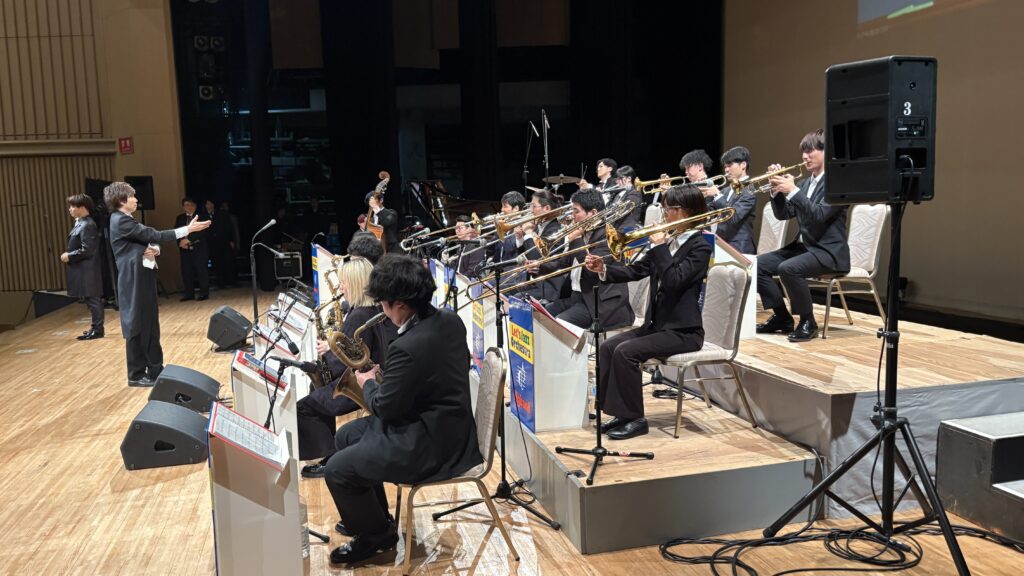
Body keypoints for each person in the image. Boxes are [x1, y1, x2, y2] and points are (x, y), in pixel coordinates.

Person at [324, 254, 481, 564]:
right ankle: (375, 520)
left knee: (337, 469)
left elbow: (384, 408)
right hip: (452, 429)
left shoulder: (408, 346)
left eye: (384, 303)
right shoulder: (450, 320)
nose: (382, 310)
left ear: (400, 304)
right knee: (345, 437)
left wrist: (369, 381)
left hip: (431, 446)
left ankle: (374, 537)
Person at [584, 185, 712, 439]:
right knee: (608, 347)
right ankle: (619, 413)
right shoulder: (669, 241)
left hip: (683, 331)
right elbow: (636, 271)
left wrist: (660, 247)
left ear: (686, 211)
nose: (664, 214)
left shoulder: (700, 246)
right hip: (657, 326)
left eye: (669, 209)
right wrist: (604, 269)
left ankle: (636, 419)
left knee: (626, 352)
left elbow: (674, 281)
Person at [297, 257, 397, 478]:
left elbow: (341, 362)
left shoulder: (359, 315)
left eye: (344, 282)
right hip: (375, 379)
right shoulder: (376, 309)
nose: (341, 287)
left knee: (303, 407)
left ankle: (329, 457)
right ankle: (330, 451)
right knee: (317, 394)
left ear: (355, 284)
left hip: (362, 384)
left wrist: (322, 362)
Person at [105, 182, 211, 386]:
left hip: (143, 276)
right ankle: (136, 374)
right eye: (132, 196)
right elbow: (154, 235)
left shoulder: (126, 220)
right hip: (134, 279)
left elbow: (149, 240)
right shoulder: (120, 220)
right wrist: (187, 229)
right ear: (121, 200)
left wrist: (155, 249)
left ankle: (155, 368)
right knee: (137, 324)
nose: (136, 199)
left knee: (150, 323)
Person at [757, 129, 850, 342]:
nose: (804, 157)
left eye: (810, 151)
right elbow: (784, 215)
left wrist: (793, 191)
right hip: (804, 248)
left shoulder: (839, 184)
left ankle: (808, 321)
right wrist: (776, 190)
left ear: (826, 152)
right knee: (758, 265)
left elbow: (819, 216)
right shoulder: (805, 184)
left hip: (828, 251)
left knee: (788, 268)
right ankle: (782, 317)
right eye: (803, 152)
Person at [537, 189, 634, 330]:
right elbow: (563, 263)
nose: (572, 216)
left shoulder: (610, 236)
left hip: (599, 303)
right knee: (543, 313)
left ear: (593, 213)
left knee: (560, 323)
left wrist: (576, 239)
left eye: (576, 211)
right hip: (577, 297)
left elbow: (591, 269)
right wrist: (538, 267)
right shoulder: (584, 233)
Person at [61, 194, 105, 340]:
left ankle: (98, 330)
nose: (70, 209)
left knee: (93, 299)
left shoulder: (88, 225)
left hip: (88, 269)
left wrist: (69, 255)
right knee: (90, 299)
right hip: (84, 268)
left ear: (83, 208)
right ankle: (95, 328)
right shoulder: (82, 223)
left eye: (73, 206)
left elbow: (88, 249)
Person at [514, 189, 564, 302]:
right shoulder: (538, 227)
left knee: (517, 298)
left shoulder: (555, 230)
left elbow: (537, 260)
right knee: (503, 290)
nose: (530, 210)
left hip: (548, 286)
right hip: (533, 281)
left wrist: (528, 234)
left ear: (546, 208)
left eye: (534, 206)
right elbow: (524, 258)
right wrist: (520, 238)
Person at [708, 147, 757, 254]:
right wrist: (700, 196)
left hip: (739, 247)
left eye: (729, 165)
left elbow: (733, 217)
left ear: (743, 165)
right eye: (725, 166)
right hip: (720, 243)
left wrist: (717, 195)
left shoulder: (749, 190)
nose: (726, 170)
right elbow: (709, 214)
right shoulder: (725, 191)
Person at [174, 197, 210, 301]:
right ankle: (189, 294)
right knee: (186, 271)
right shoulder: (180, 218)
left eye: (191, 205)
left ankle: (204, 293)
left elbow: (202, 232)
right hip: (184, 249)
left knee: (201, 270)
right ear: (183, 207)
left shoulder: (202, 217)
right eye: (186, 205)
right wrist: (180, 242)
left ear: (195, 206)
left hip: (198, 248)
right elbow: (176, 231)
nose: (189, 207)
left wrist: (188, 240)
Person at [204, 199, 235, 288]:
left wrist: (231, 240)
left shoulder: (221, 214)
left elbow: (228, 227)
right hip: (211, 244)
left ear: (213, 205)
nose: (209, 206)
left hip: (223, 242)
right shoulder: (204, 217)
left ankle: (230, 281)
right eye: (207, 204)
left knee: (227, 261)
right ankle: (220, 283)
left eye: (210, 203)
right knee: (216, 263)